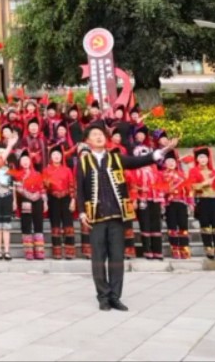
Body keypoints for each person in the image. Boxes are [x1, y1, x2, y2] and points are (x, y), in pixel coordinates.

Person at [74, 123, 170, 311]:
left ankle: (115, 296)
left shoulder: (115, 158)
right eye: (94, 135)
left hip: (117, 216)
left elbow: (137, 162)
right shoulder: (83, 162)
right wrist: (82, 212)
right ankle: (103, 296)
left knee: (117, 258)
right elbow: (80, 189)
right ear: (88, 141)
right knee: (98, 259)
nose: (99, 137)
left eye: (101, 134)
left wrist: (160, 152)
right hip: (96, 217)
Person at [188, 146, 215, 261]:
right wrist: (204, 183)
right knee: (205, 225)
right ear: (197, 159)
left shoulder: (213, 172)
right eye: (200, 157)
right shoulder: (193, 171)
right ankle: (208, 248)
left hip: (214, 200)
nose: (203, 159)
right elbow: (191, 186)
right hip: (202, 200)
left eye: (205, 157)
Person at [43, 144, 76, 260]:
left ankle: (69, 252)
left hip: (66, 198)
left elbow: (72, 185)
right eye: (54, 155)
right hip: (53, 199)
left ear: (62, 157)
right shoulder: (46, 170)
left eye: (58, 155)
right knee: (55, 225)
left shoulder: (67, 170)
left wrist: (73, 200)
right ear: (51, 157)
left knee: (68, 225)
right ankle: (57, 252)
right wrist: (45, 201)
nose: (56, 156)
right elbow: (44, 188)